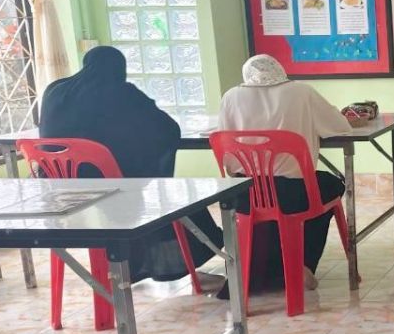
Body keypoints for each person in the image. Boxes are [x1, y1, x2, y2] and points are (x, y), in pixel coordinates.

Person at [38, 45, 223, 283]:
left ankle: (129, 266)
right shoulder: (121, 93)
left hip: (61, 189)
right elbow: (167, 129)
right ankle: (164, 263)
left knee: (140, 189)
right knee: (172, 198)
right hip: (110, 188)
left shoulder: (54, 92)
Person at [217, 54, 354, 291]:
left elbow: (226, 149)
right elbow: (340, 126)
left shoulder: (231, 97)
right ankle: (304, 264)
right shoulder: (301, 92)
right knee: (331, 185)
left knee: (272, 202)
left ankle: (260, 268)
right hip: (293, 193)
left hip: (244, 194)